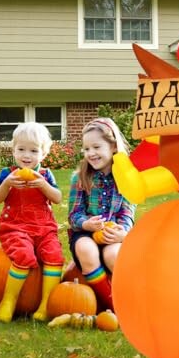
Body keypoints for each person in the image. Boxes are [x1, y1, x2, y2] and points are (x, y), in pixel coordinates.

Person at [0, 122, 63, 322]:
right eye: (21, 149)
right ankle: (8, 301)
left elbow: (57, 198)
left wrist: (43, 185)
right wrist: (7, 184)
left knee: (55, 255)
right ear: (13, 150)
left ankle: (45, 304)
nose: (27, 155)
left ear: (43, 154)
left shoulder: (46, 175)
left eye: (33, 151)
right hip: (15, 227)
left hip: (43, 228)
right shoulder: (8, 174)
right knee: (23, 254)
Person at [68, 117, 135, 312]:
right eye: (87, 149)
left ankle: (132, 297)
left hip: (112, 233)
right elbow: (74, 215)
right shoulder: (80, 177)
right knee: (86, 250)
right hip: (85, 232)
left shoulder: (126, 178)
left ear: (113, 146)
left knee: (114, 254)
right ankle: (113, 306)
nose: (91, 153)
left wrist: (123, 233)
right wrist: (86, 224)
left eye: (96, 147)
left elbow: (126, 212)